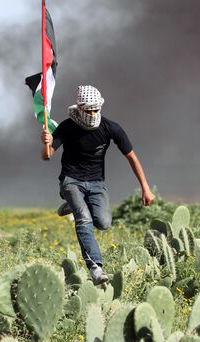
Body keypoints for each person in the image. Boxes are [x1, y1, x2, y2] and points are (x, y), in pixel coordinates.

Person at [41, 85, 155, 286]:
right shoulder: (67, 127)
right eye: (89, 110)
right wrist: (47, 143)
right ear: (80, 109)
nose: (93, 114)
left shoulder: (110, 127)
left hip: (96, 183)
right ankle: (95, 267)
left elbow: (132, 157)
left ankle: (73, 204)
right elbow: (46, 156)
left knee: (103, 223)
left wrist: (145, 187)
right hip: (71, 180)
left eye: (96, 109)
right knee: (83, 218)